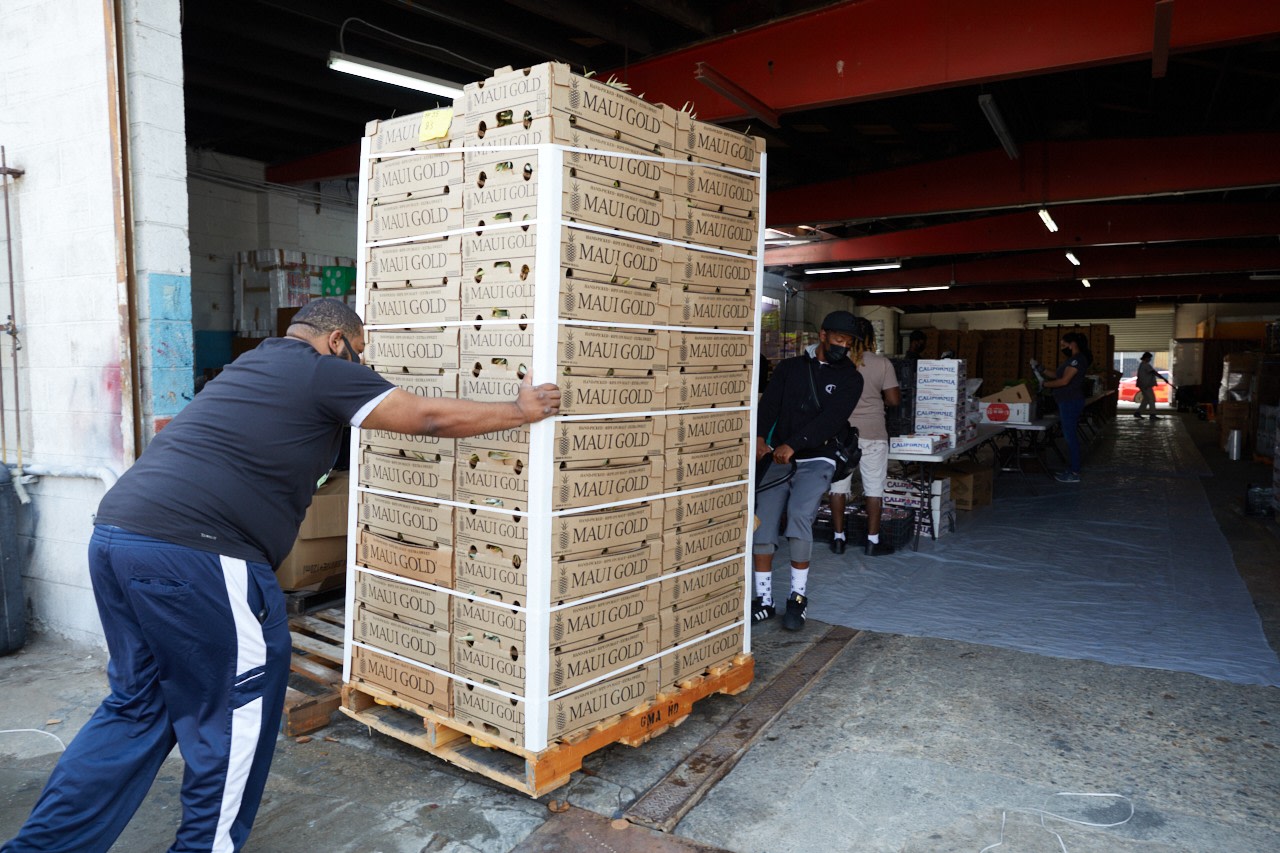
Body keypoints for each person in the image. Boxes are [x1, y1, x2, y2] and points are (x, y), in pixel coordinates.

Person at [1, 299, 560, 853]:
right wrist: (521, 409)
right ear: (337, 341)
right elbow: (427, 417)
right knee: (233, 718)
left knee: (137, 706)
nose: (363, 370)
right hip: (199, 556)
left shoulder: (245, 370)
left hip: (117, 538)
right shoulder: (320, 371)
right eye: (360, 355)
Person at [753, 311, 864, 631]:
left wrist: (795, 444)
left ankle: (797, 599)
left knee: (801, 515)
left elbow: (831, 420)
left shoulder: (850, 378)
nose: (843, 346)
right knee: (764, 521)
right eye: (839, 339)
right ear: (823, 334)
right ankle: (763, 600)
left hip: (818, 456)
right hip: (778, 458)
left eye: (848, 342)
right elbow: (770, 404)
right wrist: (761, 438)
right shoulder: (790, 368)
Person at [829, 317, 901, 556]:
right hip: (873, 433)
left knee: (838, 487)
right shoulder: (882, 364)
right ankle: (873, 541)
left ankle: (838, 539)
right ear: (871, 338)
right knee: (874, 489)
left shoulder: (837, 362)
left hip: (840, 433)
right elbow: (893, 400)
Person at [1037, 331, 1092, 483]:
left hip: (1070, 401)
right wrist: (1041, 370)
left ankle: (1074, 473)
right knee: (1069, 436)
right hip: (1066, 401)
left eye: (1063, 344)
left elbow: (1064, 381)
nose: (1062, 347)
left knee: (1070, 437)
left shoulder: (1077, 360)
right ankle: (1073, 469)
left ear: (1072, 343)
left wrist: (1044, 384)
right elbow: (1057, 375)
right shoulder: (1072, 360)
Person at [1134, 351, 1171, 420]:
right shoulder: (1146, 365)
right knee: (1151, 399)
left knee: (1146, 400)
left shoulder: (1142, 365)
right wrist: (1163, 378)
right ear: (1146, 358)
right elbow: (1154, 372)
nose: (1150, 359)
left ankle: (1138, 412)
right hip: (1146, 385)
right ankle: (1152, 414)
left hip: (1144, 385)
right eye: (1149, 358)